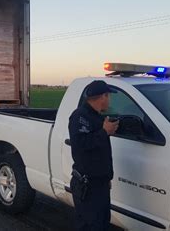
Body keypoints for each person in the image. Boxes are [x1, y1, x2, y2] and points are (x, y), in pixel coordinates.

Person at [68, 80, 119, 231]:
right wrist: (104, 132)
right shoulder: (79, 116)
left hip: (100, 184)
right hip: (87, 186)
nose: (109, 100)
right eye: (108, 96)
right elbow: (80, 144)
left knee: (102, 224)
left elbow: (100, 152)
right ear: (102, 96)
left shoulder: (98, 117)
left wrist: (106, 178)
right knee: (90, 226)